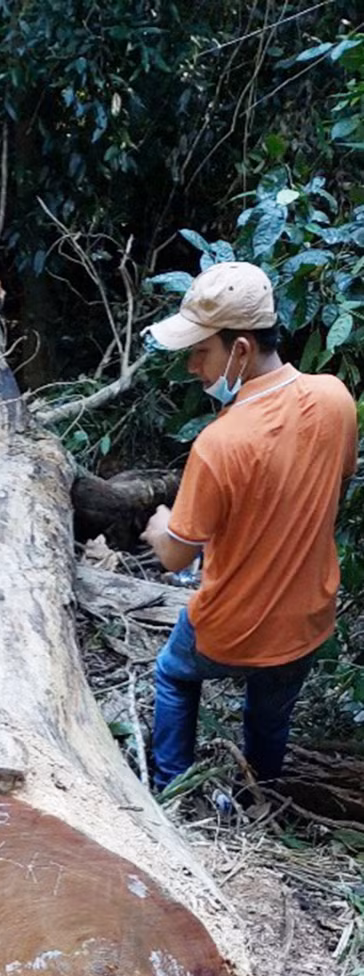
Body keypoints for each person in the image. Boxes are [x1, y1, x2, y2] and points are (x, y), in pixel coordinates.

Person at [140, 261, 358, 792]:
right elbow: (338, 480)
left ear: (239, 349)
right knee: (270, 711)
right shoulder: (335, 398)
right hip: (307, 619)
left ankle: (171, 784)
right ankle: (262, 788)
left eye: (200, 352)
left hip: (230, 628)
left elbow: (174, 557)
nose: (193, 366)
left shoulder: (220, 442)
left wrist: (160, 525)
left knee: (173, 675)